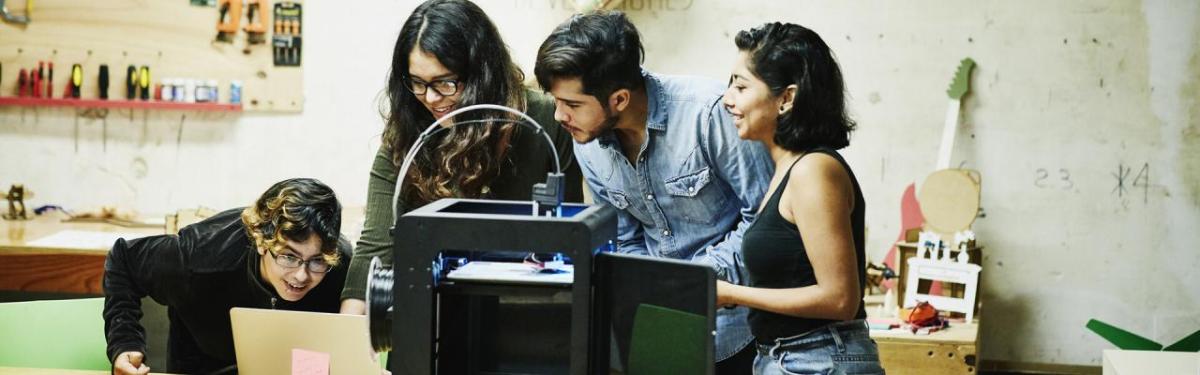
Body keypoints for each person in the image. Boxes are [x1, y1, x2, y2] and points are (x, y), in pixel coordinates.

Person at [534, 11, 773, 373]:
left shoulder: (708, 115)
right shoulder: (588, 144)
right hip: (659, 332)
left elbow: (764, 221)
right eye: (556, 102)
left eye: (572, 105)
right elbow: (622, 240)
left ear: (619, 99)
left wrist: (690, 283)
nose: (558, 116)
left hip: (738, 332)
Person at [339, 0, 582, 315]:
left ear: (482, 73)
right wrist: (349, 337)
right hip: (443, 318)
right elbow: (374, 251)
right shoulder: (408, 135)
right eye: (418, 83)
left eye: (445, 82)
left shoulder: (548, 122)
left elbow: (572, 239)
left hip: (534, 314)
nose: (430, 98)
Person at [716, 22, 885, 374]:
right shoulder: (785, 168)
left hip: (817, 360)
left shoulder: (813, 171)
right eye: (730, 83)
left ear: (787, 98)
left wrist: (731, 293)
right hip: (789, 358)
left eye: (741, 86)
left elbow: (840, 298)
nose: (728, 99)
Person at [103, 178, 352, 375]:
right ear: (261, 241)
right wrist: (124, 343)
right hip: (206, 366)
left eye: (316, 261)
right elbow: (124, 261)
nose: (301, 276)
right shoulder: (201, 256)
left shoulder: (338, 265)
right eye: (288, 256)